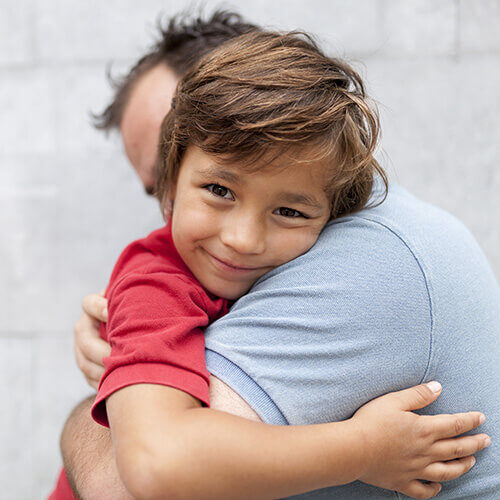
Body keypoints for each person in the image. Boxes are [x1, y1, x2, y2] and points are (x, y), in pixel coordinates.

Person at [50, 11, 500, 500]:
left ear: (336, 206)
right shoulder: (156, 288)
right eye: (218, 189)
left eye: (288, 210)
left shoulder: (372, 254)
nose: (244, 239)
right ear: (172, 185)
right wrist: (361, 449)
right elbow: (156, 466)